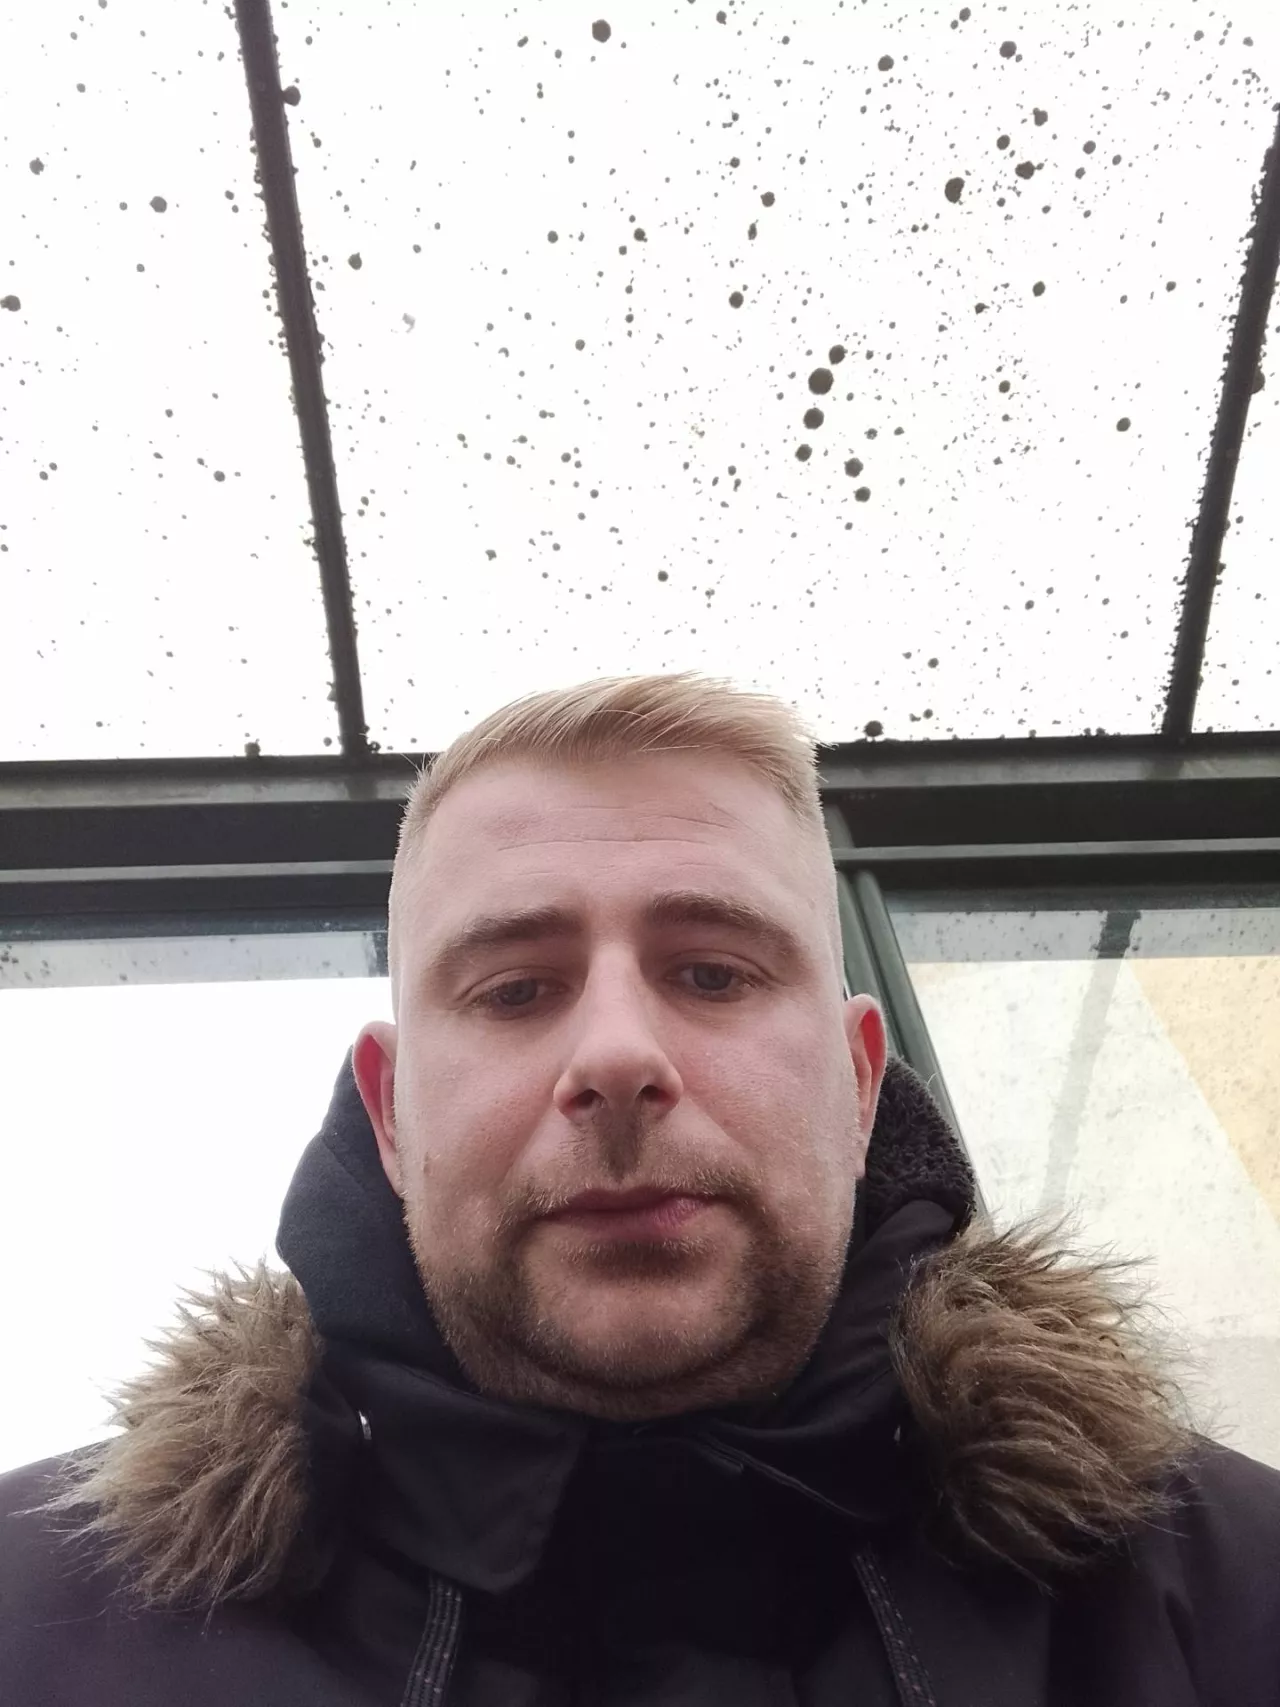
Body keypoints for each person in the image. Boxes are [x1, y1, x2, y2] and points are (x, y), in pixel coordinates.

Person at [2, 672, 1278, 1707]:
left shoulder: (1226, 1589)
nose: (615, 1056)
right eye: (514, 989)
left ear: (856, 1085)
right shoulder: (35, 1619)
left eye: (713, 973)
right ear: (389, 1116)